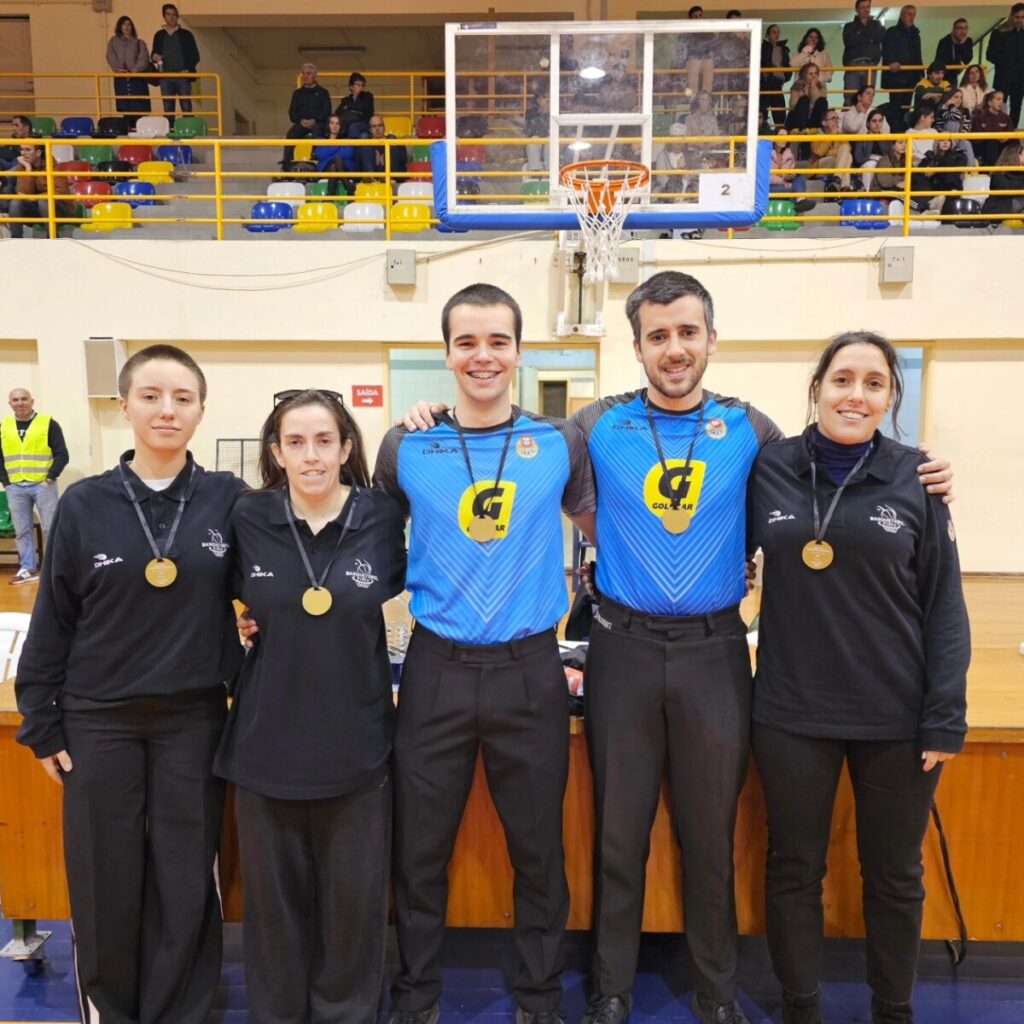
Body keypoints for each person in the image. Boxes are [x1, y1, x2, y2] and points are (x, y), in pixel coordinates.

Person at [397, 274, 954, 1024]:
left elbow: (833, 470)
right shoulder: (590, 427)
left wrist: (920, 471)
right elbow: (557, 488)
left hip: (715, 653)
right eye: (658, 336)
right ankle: (611, 988)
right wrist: (424, 414)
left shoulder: (754, 432)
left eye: (688, 332)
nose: (674, 348)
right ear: (637, 346)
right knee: (618, 835)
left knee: (708, 836)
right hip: (621, 648)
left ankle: (719, 991)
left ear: (711, 339)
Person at [376, 283, 596, 1024]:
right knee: (419, 853)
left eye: (497, 340)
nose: (483, 355)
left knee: (538, 853)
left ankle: (537, 999)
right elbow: (365, 539)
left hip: (529, 670)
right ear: (445, 354)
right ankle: (415, 998)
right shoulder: (407, 444)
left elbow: (607, 524)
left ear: (519, 352)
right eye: (467, 342)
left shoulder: (559, 443)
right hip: (435, 668)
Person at [14, 344, 244, 1024]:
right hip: (98, 722)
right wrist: (41, 719)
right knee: (103, 879)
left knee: (185, 879)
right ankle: (109, 1010)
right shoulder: (84, 504)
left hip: (195, 719)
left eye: (182, 398)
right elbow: (53, 619)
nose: (166, 410)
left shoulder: (228, 499)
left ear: (201, 409)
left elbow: (267, 586)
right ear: (124, 407)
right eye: (151, 396)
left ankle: (181, 1009)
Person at [746, 330, 969, 1024]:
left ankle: (893, 1009)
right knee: (793, 870)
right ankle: (800, 1004)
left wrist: (944, 715)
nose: (856, 394)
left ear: (890, 398)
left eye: (875, 383)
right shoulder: (767, 468)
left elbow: (945, 609)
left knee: (896, 877)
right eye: (843, 379)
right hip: (790, 711)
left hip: (895, 717)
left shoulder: (918, 478)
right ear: (816, 388)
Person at [215, 389, 405, 1024]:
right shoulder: (247, 518)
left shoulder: (381, 517)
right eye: (295, 442)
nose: (311, 455)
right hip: (267, 746)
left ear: (347, 447)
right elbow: (207, 598)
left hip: (358, 748)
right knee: (274, 913)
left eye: (325, 441)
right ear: (276, 451)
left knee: (353, 912)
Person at [0, 388, 67, 585]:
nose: (20, 403)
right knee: (22, 530)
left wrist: (50, 478)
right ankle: (27, 568)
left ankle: (52, 569)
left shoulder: (48, 423)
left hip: (42, 485)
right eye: (15, 400)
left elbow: (62, 454)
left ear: (32, 401)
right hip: (15, 487)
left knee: (50, 528)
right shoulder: (4, 426)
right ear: (10, 403)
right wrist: (6, 482)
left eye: (24, 399)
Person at [7, 144, 75, 238]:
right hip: (38, 209)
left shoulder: (53, 166)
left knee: (44, 202)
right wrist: (28, 169)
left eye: (27, 149)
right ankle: (16, 240)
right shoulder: (23, 166)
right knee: (15, 203)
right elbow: (24, 194)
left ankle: (52, 238)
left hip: (60, 209)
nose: (23, 153)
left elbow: (61, 192)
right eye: (21, 150)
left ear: (38, 153)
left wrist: (36, 198)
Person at [151, 4, 200, 128]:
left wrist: (187, 69)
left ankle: (189, 131)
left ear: (177, 16)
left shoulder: (186, 35)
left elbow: (195, 55)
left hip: (182, 76)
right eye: (168, 14)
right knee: (168, 108)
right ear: (164, 17)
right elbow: (154, 54)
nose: (171, 17)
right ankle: (169, 134)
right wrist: (155, 57)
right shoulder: (159, 35)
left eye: (173, 14)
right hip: (165, 77)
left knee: (186, 106)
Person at [105, 15, 151, 128]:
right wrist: (118, 69)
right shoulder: (113, 41)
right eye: (124, 24)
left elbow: (144, 59)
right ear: (120, 26)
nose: (127, 27)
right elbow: (110, 56)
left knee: (139, 110)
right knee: (126, 109)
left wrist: (133, 71)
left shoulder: (139, 42)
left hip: (137, 80)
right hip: (121, 79)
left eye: (129, 24)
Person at [284, 62, 331, 165]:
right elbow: (292, 112)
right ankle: (287, 164)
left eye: (308, 73)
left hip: (317, 123)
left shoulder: (323, 92)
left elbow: (327, 112)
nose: (305, 76)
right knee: (291, 134)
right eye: (304, 73)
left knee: (318, 132)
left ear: (315, 75)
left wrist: (314, 120)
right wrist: (300, 120)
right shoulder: (297, 93)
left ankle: (316, 159)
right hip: (301, 123)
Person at [987, 3, 1024, 126]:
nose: (1020, 20)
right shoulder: (1000, 32)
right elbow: (990, 54)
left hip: (1020, 78)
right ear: (1012, 16)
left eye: (1023, 17)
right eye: (1017, 17)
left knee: (1016, 105)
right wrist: (1007, 62)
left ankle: (1012, 133)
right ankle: (999, 131)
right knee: (1000, 105)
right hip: (1004, 77)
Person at [910, 137, 968, 212]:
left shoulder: (957, 155)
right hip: (935, 187)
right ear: (937, 143)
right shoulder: (930, 157)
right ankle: (929, 205)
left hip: (951, 188)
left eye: (948, 140)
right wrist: (927, 171)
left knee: (947, 161)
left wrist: (937, 167)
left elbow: (961, 165)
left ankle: (948, 194)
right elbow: (922, 173)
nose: (945, 143)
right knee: (916, 175)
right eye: (942, 140)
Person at [842, 0, 884, 103]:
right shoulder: (849, 26)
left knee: (868, 96)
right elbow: (849, 41)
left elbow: (880, 37)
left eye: (868, 7)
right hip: (854, 64)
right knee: (851, 96)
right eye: (863, 7)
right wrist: (870, 39)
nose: (866, 10)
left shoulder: (877, 25)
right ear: (857, 10)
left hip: (871, 64)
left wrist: (860, 33)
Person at [881, 6, 922, 111]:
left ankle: (903, 126)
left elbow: (918, 55)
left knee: (906, 107)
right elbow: (887, 50)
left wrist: (921, 75)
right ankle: (896, 127)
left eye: (913, 15)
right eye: (909, 14)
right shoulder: (892, 32)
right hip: (896, 78)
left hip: (911, 78)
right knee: (895, 107)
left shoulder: (916, 34)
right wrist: (892, 62)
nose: (911, 17)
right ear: (902, 15)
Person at [980, 139, 1024, 221]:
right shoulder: (998, 174)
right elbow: (1006, 188)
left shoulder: (1021, 174)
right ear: (1015, 155)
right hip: (998, 209)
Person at [315, 115, 356, 196]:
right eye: (332, 123)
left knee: (334, 164)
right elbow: (320, 154)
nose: (334, 126)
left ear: (341, 126)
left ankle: (330, 195)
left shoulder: (347, 140)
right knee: (336, 160)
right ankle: (347, 186)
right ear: (328, 125)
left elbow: (349, 153)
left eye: (337, 124)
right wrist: (338, 146)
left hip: (344, 168)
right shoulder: (322, 141)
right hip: (326, 170)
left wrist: (330, 153)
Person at [852, 109, 891, 192]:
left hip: (883, 163)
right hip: (866, 164)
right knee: (871, 165)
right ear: (868, 123)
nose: (877, 124)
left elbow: (890, 157)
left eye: (880, 121)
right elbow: (858, 159)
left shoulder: (886, 139)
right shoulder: (861, 138)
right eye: (874, 121)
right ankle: (867, 193)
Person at [359, 114, 408, 180]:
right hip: (373, 175)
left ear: (384, 128)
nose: (377, 129)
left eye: (380, 125)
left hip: (392, 174)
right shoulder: (366, 143)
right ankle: (370, 174)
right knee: (364, 138)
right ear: (370, 130)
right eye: (374, 126)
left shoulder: (392, 139)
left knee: (392, 138)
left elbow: (403, 160)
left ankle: (389, 176)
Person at [760, 25, 792, 126]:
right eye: (773, 32)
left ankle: (780, 133)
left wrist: (785, 77)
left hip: (778, 82)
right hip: (766, 82)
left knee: (780, 113)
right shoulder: (762, 47)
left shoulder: (783, 49)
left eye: (778, 32)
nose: (776, 34)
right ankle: (763, 131)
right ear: (768, 35)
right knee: (762, 110)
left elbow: (787, 66)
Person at [972, 90, 1014, 167]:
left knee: (1015, 141)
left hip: (1001, 144)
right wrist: (995, 137)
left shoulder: (1006, 118)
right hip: (984, 146)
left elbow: (1011, 132)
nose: (1001, 102)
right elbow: (977, 137)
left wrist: (1006, 138)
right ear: (990, 102)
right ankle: (993, 170)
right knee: (992, 142)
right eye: (998, 99)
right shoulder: (979, 116)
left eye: (1002, 99)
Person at [785, 64, 828, 131]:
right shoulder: (797, 86)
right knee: (804, 100)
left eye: (816, 73)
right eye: (810, 74)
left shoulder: (821, 87)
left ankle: (818, 130)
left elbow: (817, 103)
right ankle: (803, 130)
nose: (814, 76)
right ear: (804, 76)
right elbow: (793, 106)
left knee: (822, 101)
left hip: (813, 120)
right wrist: (803, 95)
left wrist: (813, 87)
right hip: (797, 121)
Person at [934, 18, 973, 88]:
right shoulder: (944, 42)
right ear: (953, 30)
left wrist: (962, 44)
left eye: (965, 28)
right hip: (941, 76)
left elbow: (967, 60)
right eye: (960, 28)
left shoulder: (968, 41)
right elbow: (941, 62)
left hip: (953, 76)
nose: (963, 31)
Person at [335, 72, 374, 138]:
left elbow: (367, 110)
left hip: (364, 123)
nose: (361, 87)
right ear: (351, 86)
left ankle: (350, 147)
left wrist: (349, 108)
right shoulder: (346, 100)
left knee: (353, 127)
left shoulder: (368, 96)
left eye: (362, 85)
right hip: (348, 124)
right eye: (358, 85)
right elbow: (337, 113)